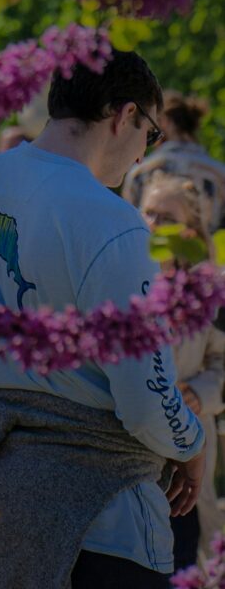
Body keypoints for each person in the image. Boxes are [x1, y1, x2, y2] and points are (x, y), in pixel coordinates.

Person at [0, 51, 206, 589]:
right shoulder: (112, 221)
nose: (141, 157)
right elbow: (144, 399)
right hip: (100, 522)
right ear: (124, 116)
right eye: (149, 136)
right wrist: (192, 444)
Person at [139, 169, 225, 569]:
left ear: (190, 232)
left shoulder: (208, 292)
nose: (154, 225)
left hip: (191, 443)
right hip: (136, 444)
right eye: (149, 213)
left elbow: (220, 361)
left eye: (167, 219)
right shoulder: (123, 279)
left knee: (185, 553)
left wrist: (201, 391)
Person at [127, 96, 225, 234]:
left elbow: (130, 228)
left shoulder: (140, 171)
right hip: (206, 253)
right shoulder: (219, 173)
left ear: (165, 122)